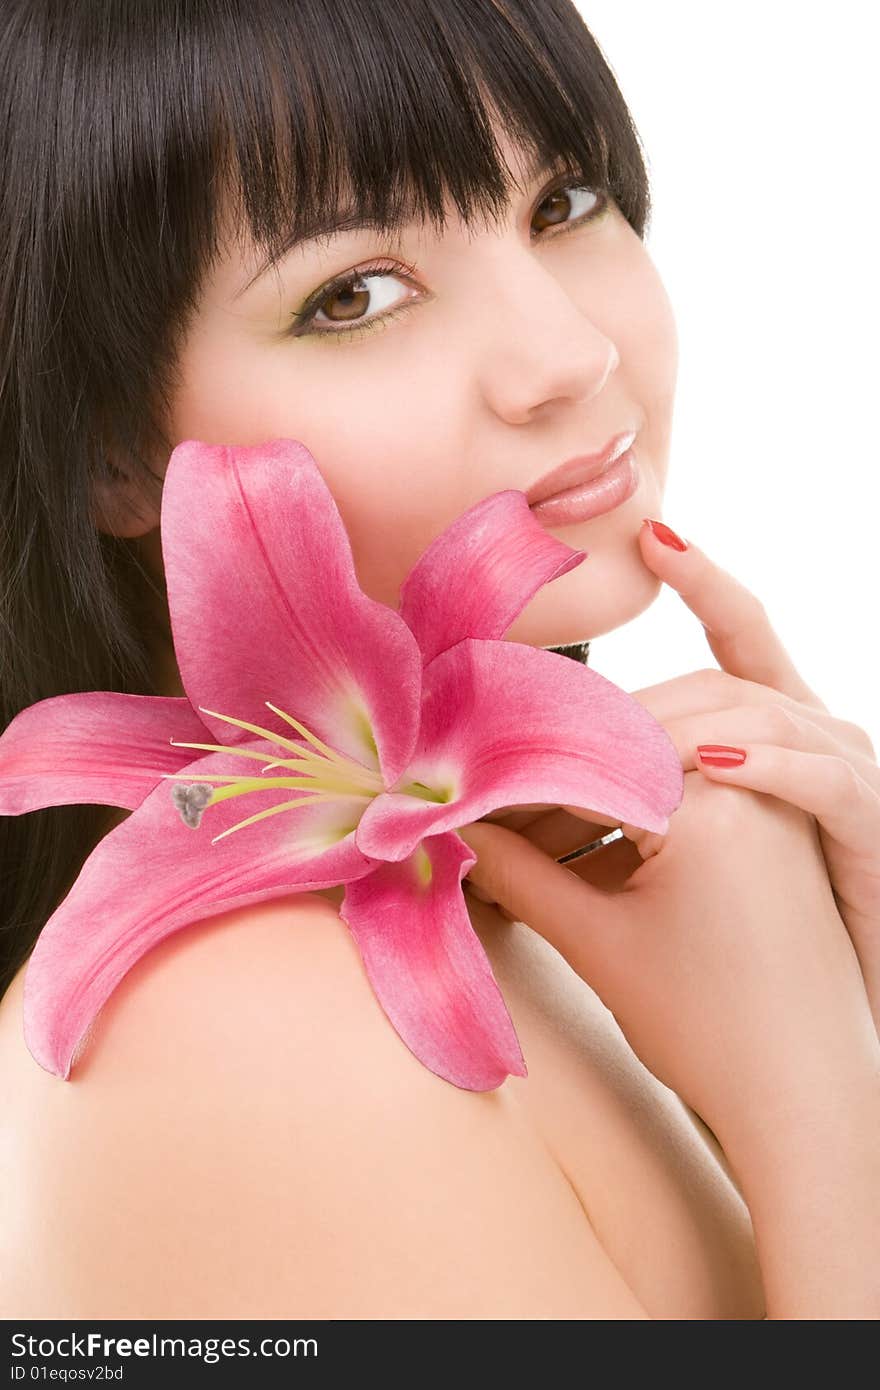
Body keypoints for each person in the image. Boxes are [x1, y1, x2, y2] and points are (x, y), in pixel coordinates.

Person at [0, 0, 877, 1320]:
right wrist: (815, 1087)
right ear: (114, 459)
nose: (569, 358)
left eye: (564, 198)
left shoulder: (584, 905)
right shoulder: (237, 1031)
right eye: (352, 293)